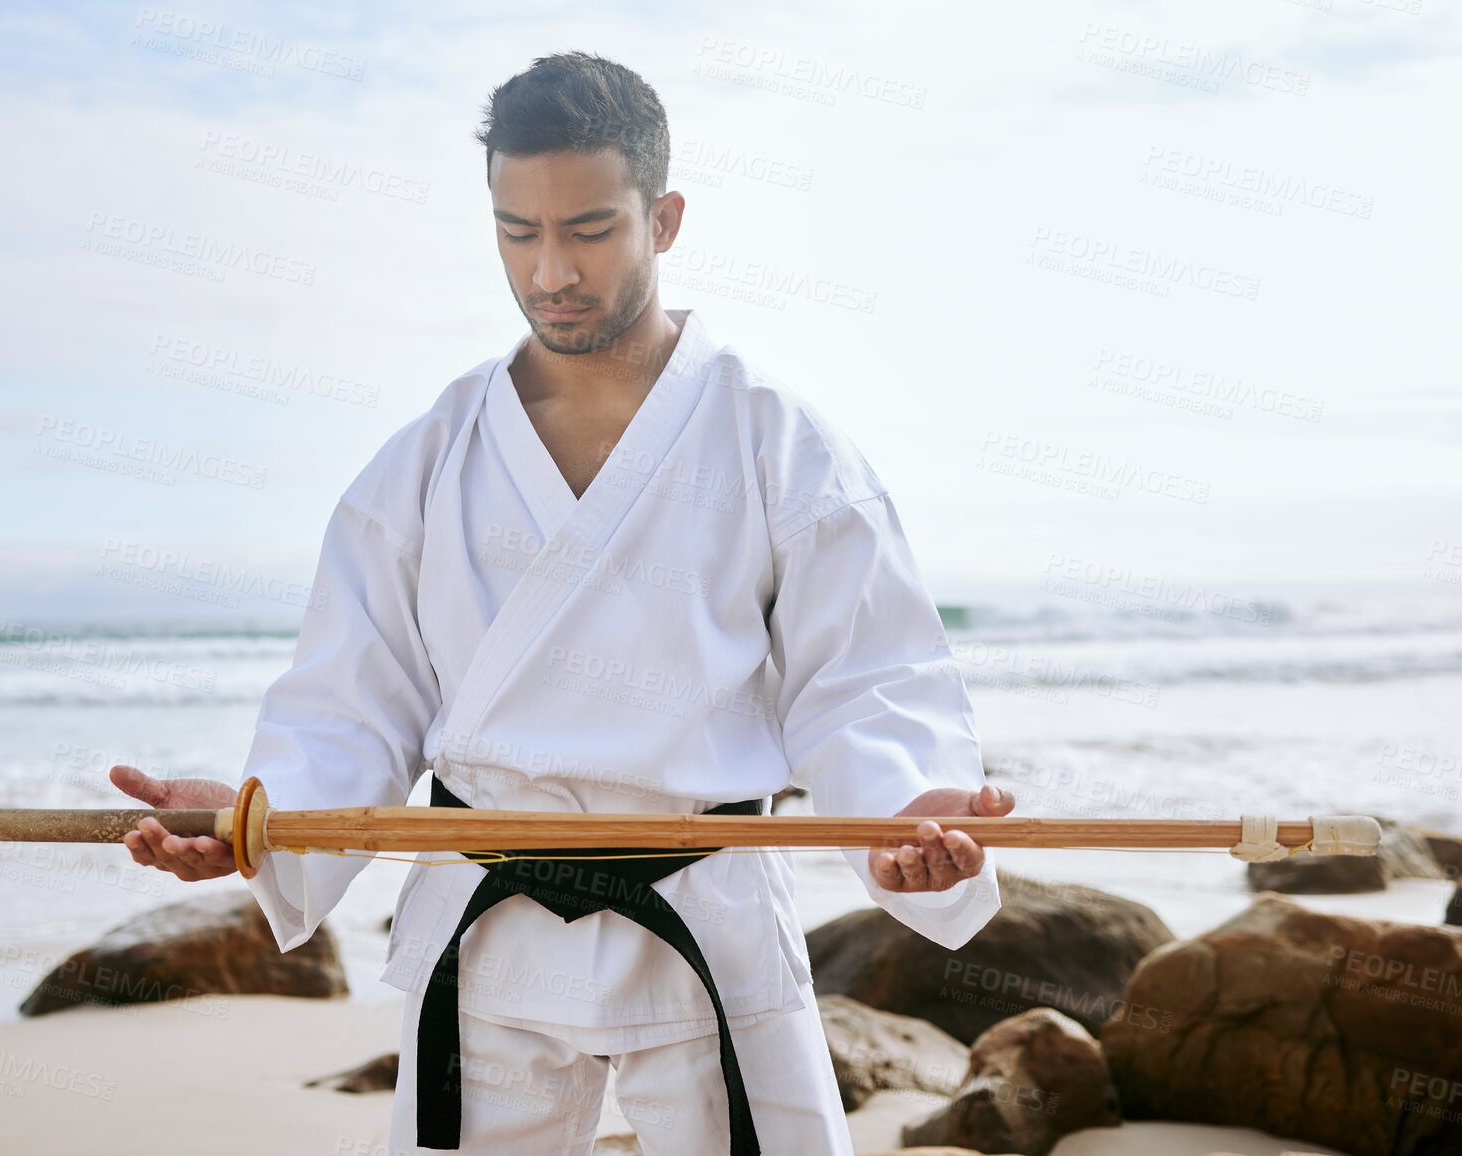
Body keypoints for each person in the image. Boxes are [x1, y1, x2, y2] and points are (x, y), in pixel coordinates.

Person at [112, 51, 1014, 1156]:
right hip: (490, 929)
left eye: (589, 229)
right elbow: (353, 701)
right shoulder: (429, 460)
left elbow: (865, 676)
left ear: (664, 217)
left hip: (707, 908)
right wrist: (265, 816)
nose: (551, 271)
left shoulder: (776, 440)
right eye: (517, 231)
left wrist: (902, 817)